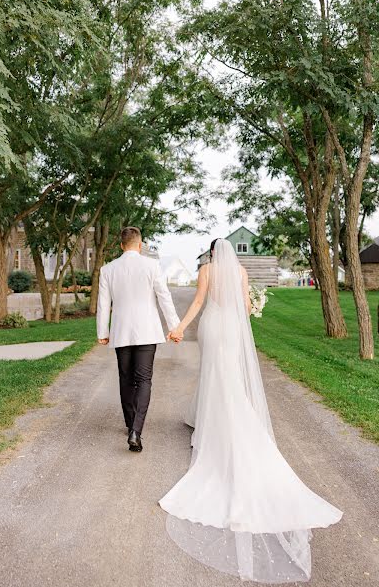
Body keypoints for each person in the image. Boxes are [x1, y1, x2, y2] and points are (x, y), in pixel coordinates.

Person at [162, 238, 342, 583]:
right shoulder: (242, 271)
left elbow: (199, 301)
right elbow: (245, 307)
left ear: (212, 253)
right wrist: (247, 309)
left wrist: (181, 328)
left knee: (216, 376)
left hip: (213, 326)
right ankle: (221, 419)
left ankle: (215, 424)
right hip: (231, 326)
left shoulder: (206, 270)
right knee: (228, 377)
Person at [96, 226, 180, 453]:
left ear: (121, 245)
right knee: (144, 379)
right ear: (140, 245)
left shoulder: (108, 269)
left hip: (121, 331)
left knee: (126, 379)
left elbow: (104, 304)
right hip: (146, 331)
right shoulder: (152, 265)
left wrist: (103, 332)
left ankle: (130, 423)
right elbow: (164, 296)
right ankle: (136, 430)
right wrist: (175, 327)